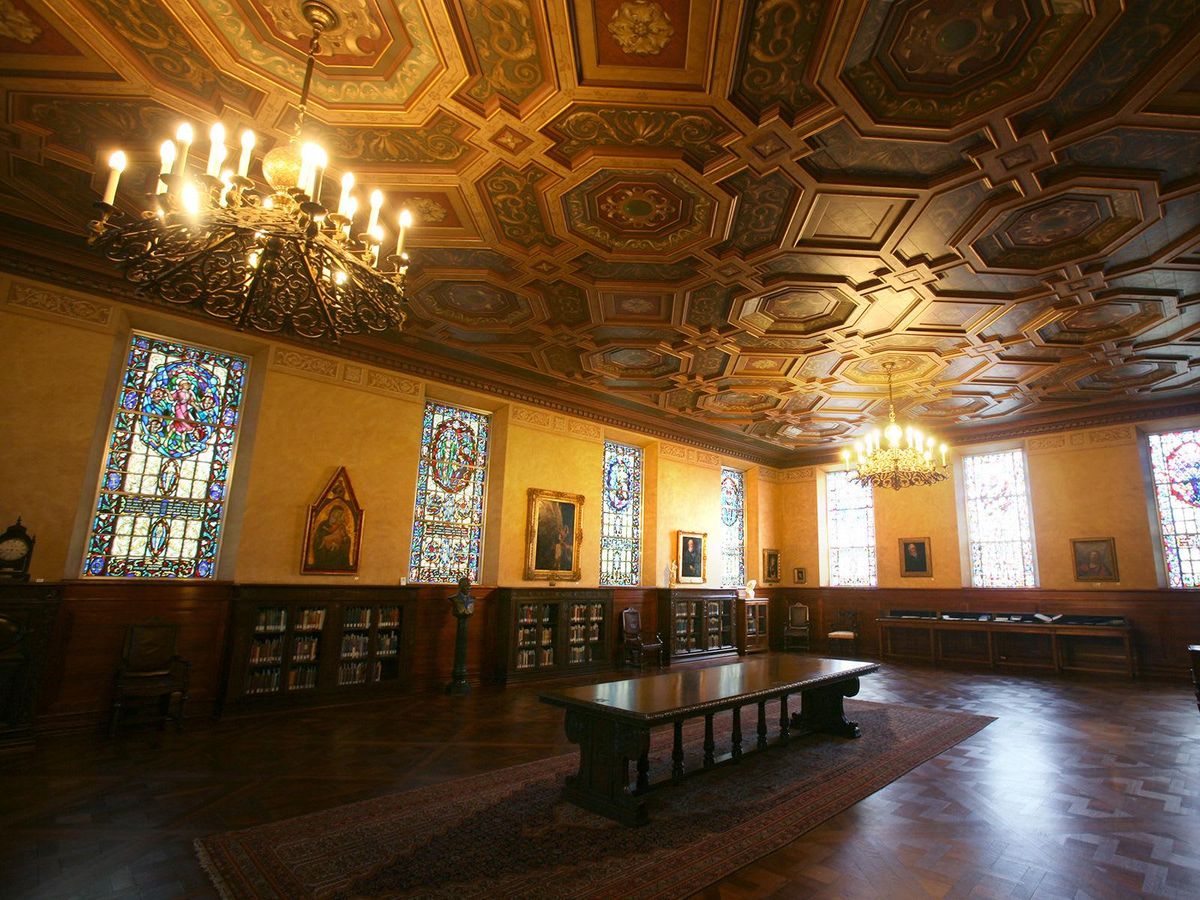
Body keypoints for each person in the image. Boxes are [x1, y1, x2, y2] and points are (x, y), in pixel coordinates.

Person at [312, 504, 351, 570]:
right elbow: (317, 539)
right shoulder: (323, 524)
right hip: (324, 556)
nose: (335, 517)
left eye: (338, 516)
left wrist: (344, 540)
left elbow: (345, 537)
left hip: (337, 556)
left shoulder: (340, 526)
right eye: (334, 515)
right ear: (330, 514)